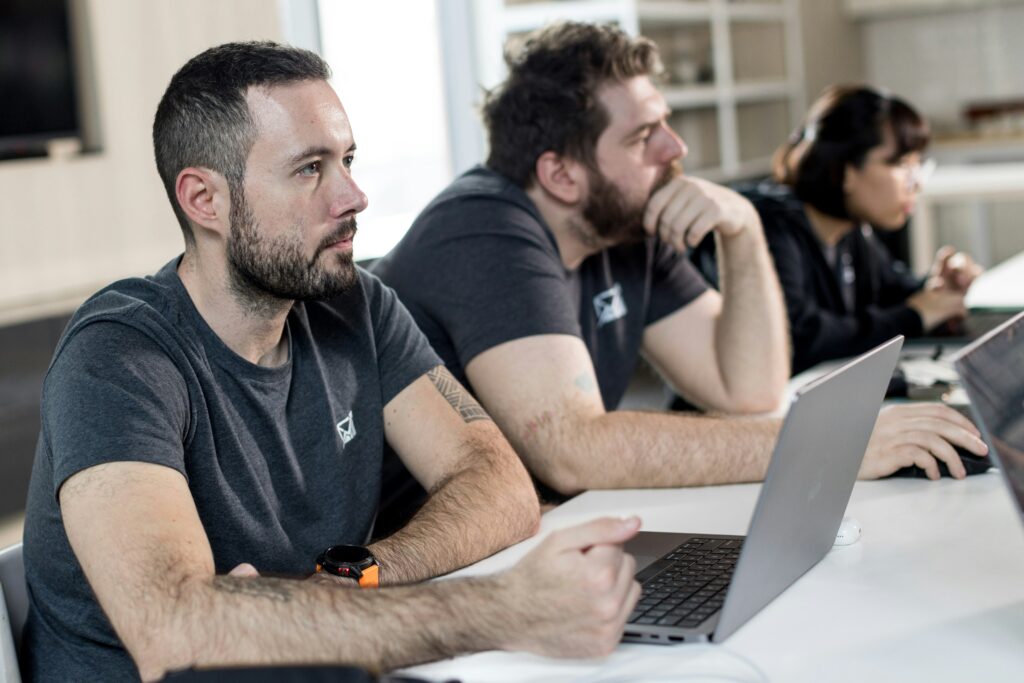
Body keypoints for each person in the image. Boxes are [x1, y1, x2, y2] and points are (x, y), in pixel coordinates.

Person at [20, 41, 643, 682]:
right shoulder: (117, 357)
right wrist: (506, 610)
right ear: (205, 200)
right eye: (310, 169)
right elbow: (179, 633)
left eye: (346, 159)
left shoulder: (354, 304)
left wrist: (354, 575)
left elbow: (501, 484)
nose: (354, 195)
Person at [373, 22, 989, 522]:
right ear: (561, 174)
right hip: (425, 569)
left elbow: (747, 391)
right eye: (645, 136)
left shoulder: (626, 224)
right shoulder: (484, 227)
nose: (677, 149)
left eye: (665, 123)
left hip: (552, 529)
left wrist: (743, 231)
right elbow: (573, 450)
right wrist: (837, 440)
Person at [744, 85, 982, 374]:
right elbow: (799, 338)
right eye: (901, 163)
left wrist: (936, 290)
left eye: (918, 164)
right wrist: (916, 314)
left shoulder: (852, 230)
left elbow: (893, 293)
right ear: (846, 171)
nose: (916, 182)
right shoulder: (768, 228)